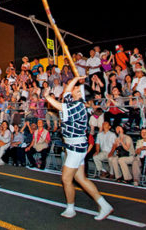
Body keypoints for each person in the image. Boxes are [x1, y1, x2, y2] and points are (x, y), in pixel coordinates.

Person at [43, 77, 113, 220]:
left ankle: (70, 208)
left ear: (80, 94)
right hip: (75, 145)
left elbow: (59, 106)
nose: (73, 89)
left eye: (77, 89)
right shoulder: (74, 101)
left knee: (66, 179)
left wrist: (46, 96)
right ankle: (104, 205)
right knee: (81, 178)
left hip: (75, 146)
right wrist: (76, 79)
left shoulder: (78, 106)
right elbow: (67, 91)